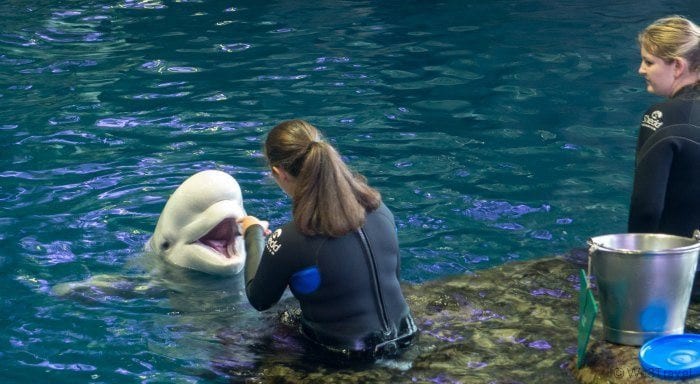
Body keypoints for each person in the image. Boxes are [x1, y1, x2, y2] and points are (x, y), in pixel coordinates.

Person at [237, 119, 418, 360]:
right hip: (406, 337)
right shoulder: (380, 209)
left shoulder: (289, 239)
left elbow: (259, 300)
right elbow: (393, 276)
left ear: (278, 173)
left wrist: (253, 233)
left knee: (248, 343)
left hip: (348, 356)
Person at [627, 15, 700, 238]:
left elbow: (646, 207)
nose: (641, 70)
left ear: (677, 66)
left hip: (679, 261)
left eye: (649, 62)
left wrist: (634, 257)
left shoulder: (664, 117)